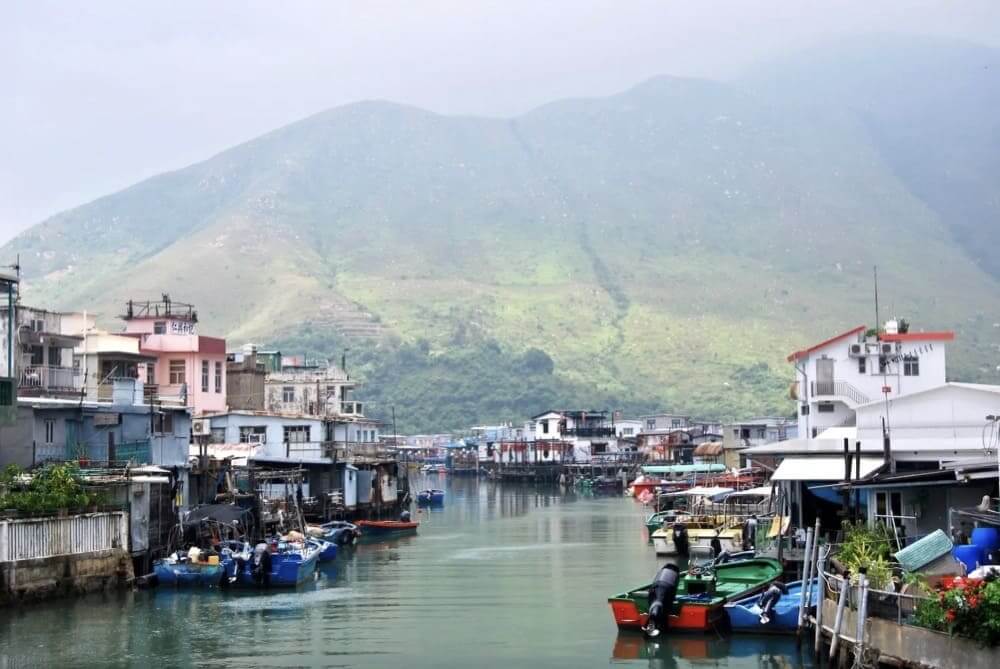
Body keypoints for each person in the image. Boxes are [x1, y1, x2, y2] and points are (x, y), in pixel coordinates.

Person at [643, 563, 681, 638]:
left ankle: (650, 628)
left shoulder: (662, 571)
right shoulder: (675, 575)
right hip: (667, 588)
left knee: (657, 605)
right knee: (664, 611)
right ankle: (663, 629)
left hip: (655, 587)